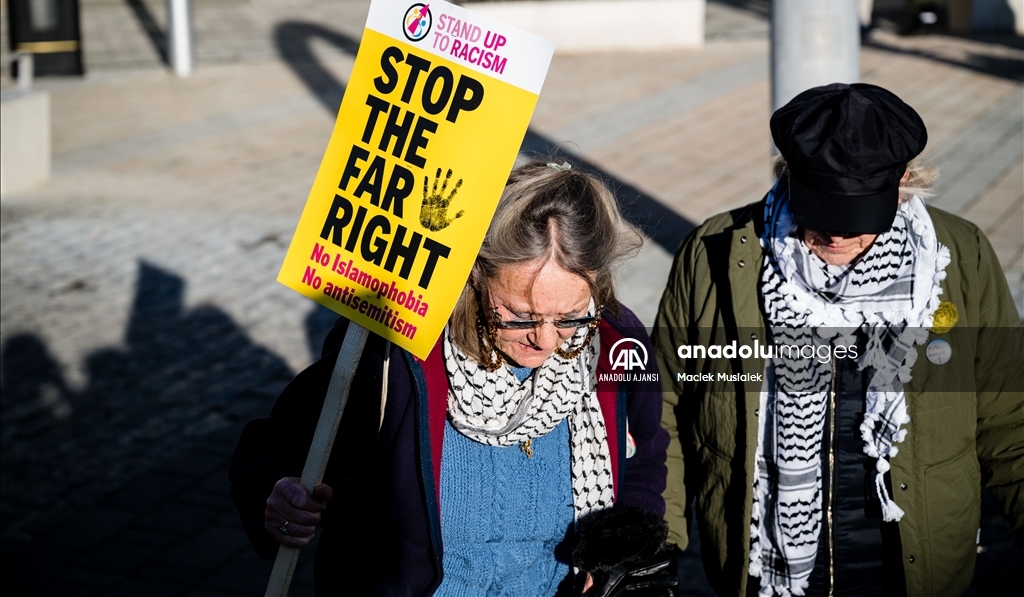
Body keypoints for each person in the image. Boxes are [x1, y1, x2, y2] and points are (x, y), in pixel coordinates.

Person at [231, 160, 674, 596]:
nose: (545, 341)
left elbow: (643, 455)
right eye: (521, 315)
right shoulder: (394, 347)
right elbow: (272, 447)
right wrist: (277, 495)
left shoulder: (617, 343)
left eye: (571, 317)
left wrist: (623, 554)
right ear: (477, 273)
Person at [653, 83, 1023, 597]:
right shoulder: (713, 256)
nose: (836, 238)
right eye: (819, 215)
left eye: (858, 219)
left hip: (915, 566)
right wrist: (655, 543)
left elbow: (1010, 415)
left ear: (904, 183)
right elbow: (662, 409)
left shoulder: (959, 255)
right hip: (767, 572)